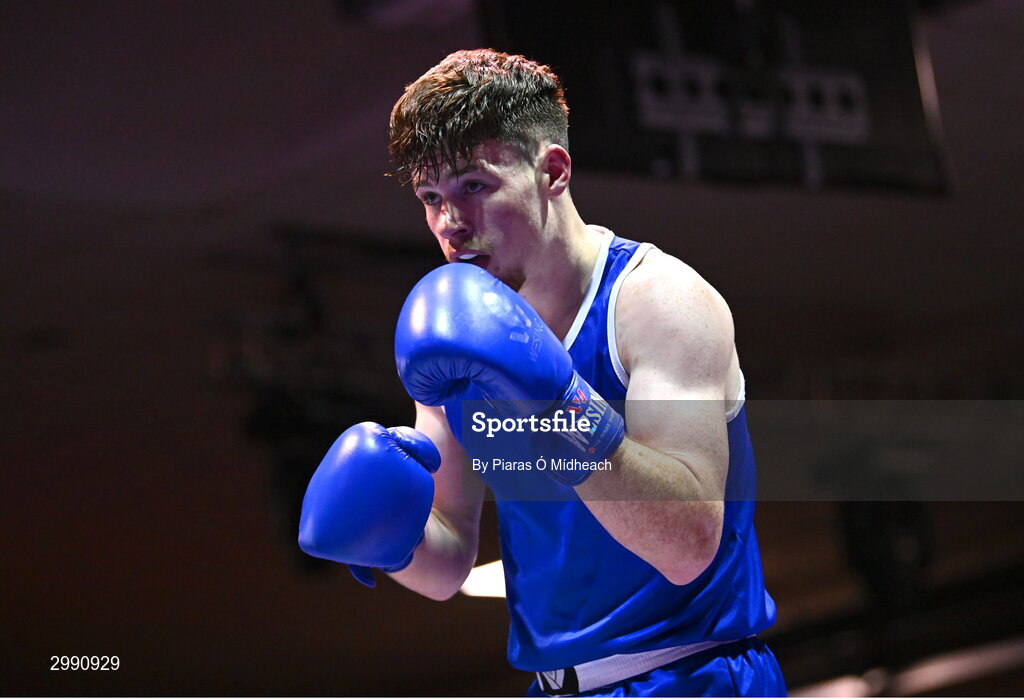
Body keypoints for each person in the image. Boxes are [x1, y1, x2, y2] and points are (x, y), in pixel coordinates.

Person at [298, 48, 785, 697]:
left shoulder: (657, 304)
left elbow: (688, 543)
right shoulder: (457, 338)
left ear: (552, 170)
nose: (451, 222)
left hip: (694, 676)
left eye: (475, 185)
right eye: (431, 196)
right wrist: (387, 536)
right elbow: (448, 562)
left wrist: (553, 399)